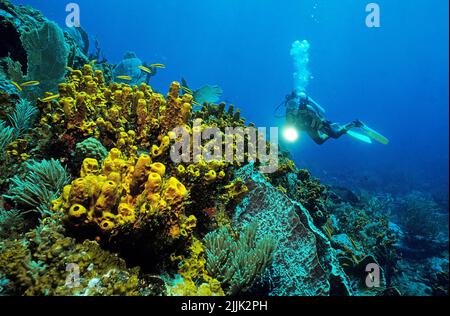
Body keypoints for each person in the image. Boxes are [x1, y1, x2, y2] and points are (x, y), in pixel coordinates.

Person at [284, 91, 365, 145]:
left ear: (297, 103)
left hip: (317, 124)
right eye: (289, 104)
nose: (292, 107)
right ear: (287, 105)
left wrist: (328, 125)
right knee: (319, 142)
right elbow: (288, 124)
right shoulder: (289, 113)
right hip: (308, 128)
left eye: (293, 104)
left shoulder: (307, 108)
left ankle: (354, 123)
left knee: (335, 135)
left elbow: (319, 119)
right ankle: (334, 129)